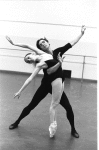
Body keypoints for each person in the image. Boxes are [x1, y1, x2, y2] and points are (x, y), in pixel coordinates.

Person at [6, 25, 86, 138]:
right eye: (40, 45)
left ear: (47, 42)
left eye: (43, 42)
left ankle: (73, 129)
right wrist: (14, 44)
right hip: (46, 85)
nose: (42, 44)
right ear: (40, 49)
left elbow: (71, 43)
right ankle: (17, 121)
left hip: (57, 85)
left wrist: (81, 34)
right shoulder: (42, 57)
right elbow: (45, 70)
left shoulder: (58, 52)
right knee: (31, 105)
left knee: (68, 107)